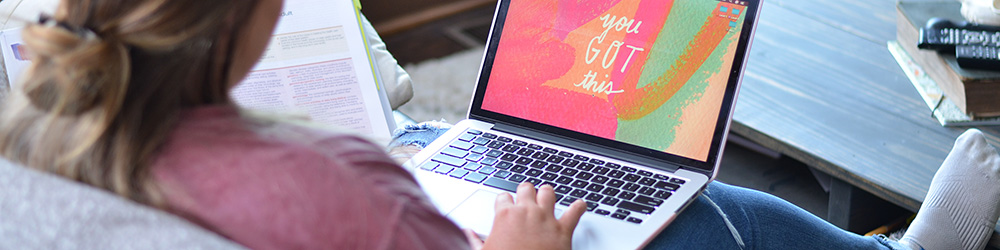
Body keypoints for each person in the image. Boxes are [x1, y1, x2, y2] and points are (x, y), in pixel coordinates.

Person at [0, 0, 997, 249]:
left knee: (456, 147)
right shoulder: (332, 179)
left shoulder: (43, 137)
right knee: (689, 215)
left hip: (409, 176)